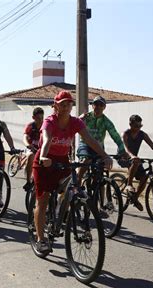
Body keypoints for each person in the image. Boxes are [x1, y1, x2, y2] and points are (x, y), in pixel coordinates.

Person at [33, 91, 112, 252]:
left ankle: (58, 215)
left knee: (70, 190)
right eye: (62, 104)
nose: (66, 107)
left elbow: (90, 140)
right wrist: (43, 157)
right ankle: (41, 239)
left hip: (63, 161)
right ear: (55, 106)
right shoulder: (49, 121)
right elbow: (47, 140)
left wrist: (105, 156)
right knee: (43, 199)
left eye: (69, 104)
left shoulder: (75, 122)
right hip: (45, 162)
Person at [121, 115, 153, 210]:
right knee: (135, 162)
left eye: (140, 126)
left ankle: (135, 198)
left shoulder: (142, 134)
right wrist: (132, 156)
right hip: (123, 157)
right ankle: (129, 185)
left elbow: (152, 145)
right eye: (136, 126)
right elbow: (126, 149)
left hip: (135, 158)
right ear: (130, 124)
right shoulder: (125, 134)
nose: (138, 128)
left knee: (144, 177)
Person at [77, 95, 126, 183]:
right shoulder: (86, 117)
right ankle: (78, 183)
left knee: (100, 174)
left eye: (101, 105)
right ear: (92, 106)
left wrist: (122, 149)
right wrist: (79, 120)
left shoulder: (106, 121)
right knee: (86, 160)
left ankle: (99, 193)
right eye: (96, 104)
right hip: (85, 145)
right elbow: (74, 126)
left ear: (104, 107)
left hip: (99, 148)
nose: (98, 107)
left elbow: (115, 136)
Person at [22, 107, 44, 191]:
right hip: (32, 148)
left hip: (42, 150)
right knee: (31, 155)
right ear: (33, 117)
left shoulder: (45, 125)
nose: (40, 120)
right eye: (38, 118)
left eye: (42, 118)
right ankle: (28, 182)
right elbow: (25, 137)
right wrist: (28, 144)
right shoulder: (30, 126)